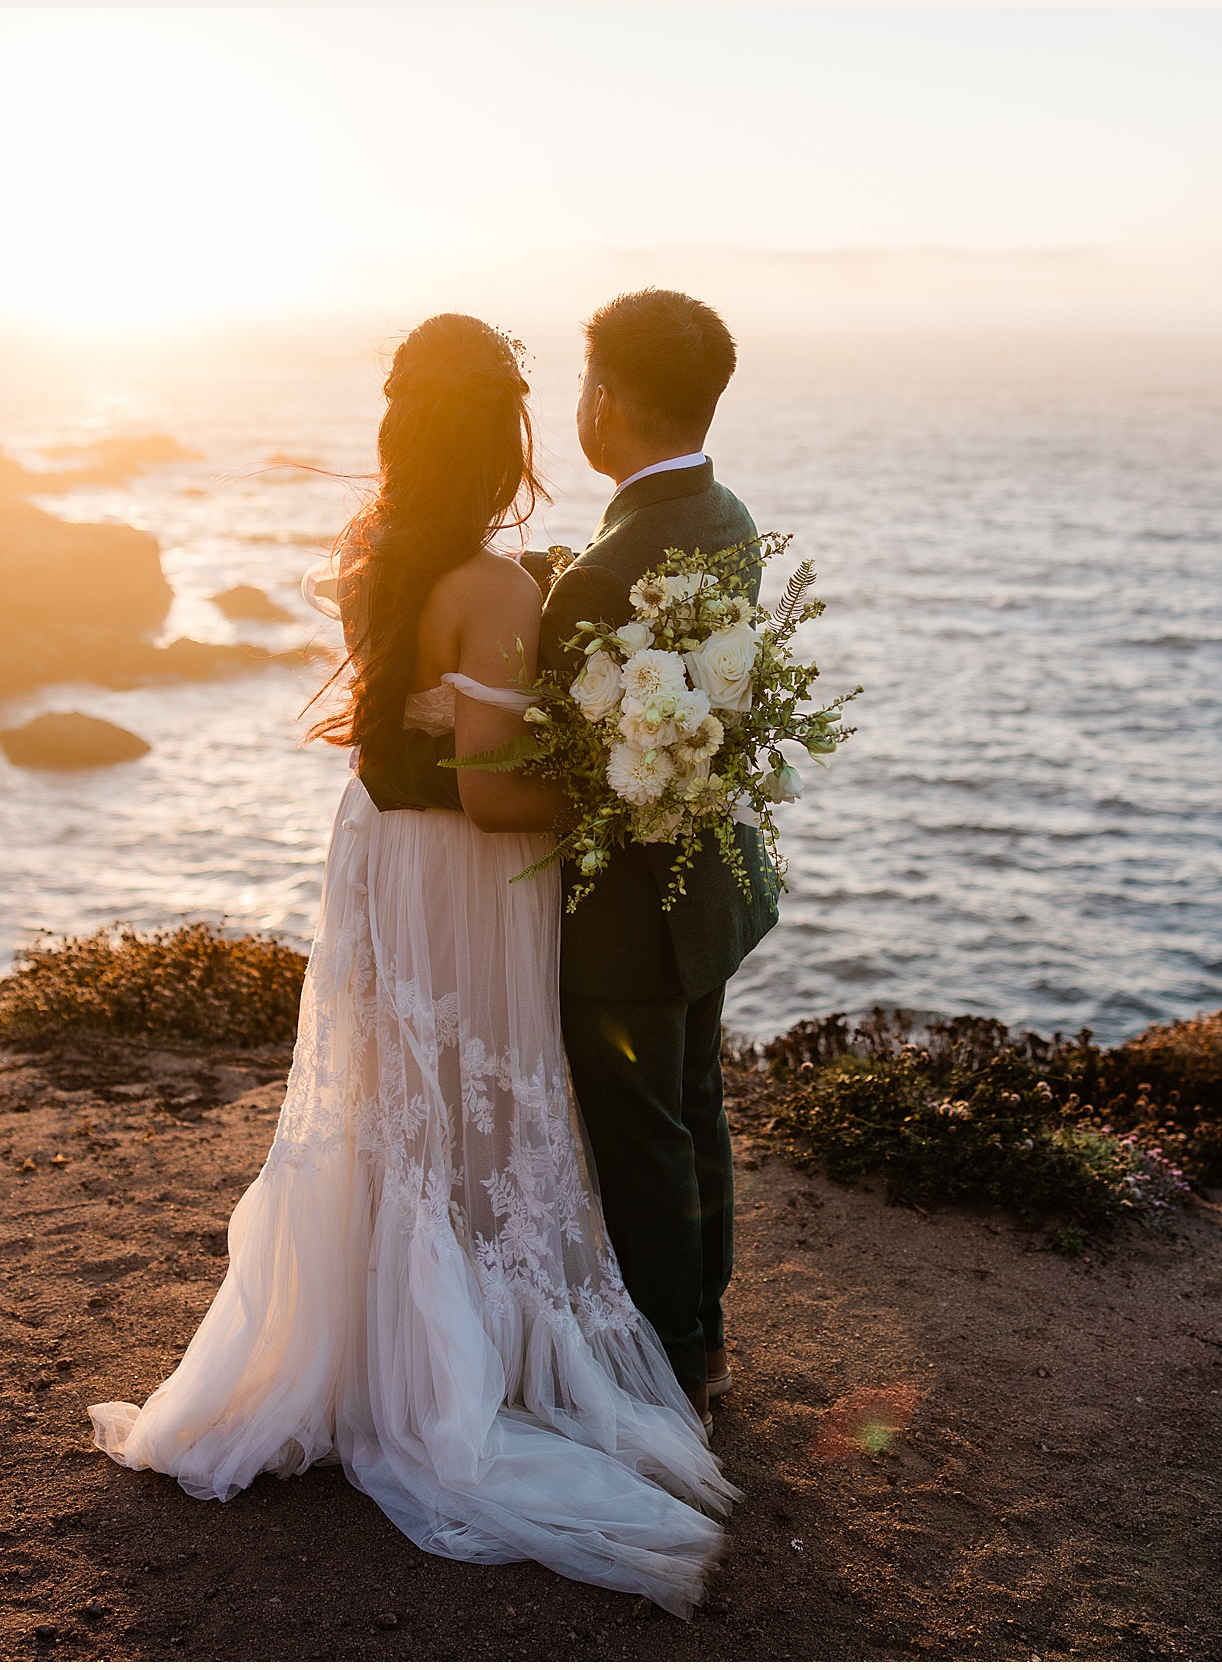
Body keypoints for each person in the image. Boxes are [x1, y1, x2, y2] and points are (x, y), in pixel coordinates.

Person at [88, 313, 737, 1617]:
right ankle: (459, 1372)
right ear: (500, 438)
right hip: (463, 874)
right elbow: (501, 803)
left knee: (396, 1102)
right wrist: (635, 784)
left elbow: (394, 740)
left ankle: (362, 1347)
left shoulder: (375, 554)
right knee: (475, 1104)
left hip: (382, 854)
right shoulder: (495, 589)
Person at [536, 289, 778, 1418]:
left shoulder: (600, 575)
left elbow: (552, 758)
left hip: (633, 907)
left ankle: (674, 1355)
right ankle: (706, 1334)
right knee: (693, 1107)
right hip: (709, 880)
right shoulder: (723, 513)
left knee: (641, 1134)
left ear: (603, 400)